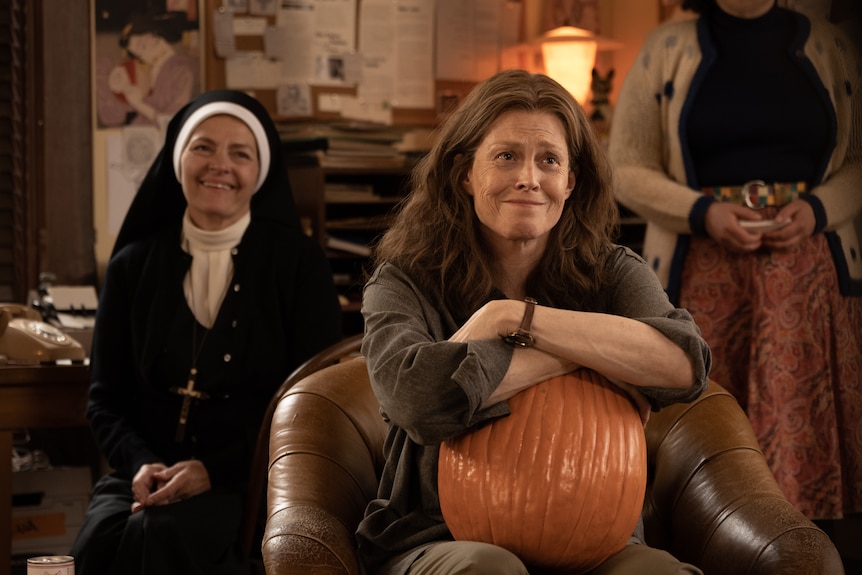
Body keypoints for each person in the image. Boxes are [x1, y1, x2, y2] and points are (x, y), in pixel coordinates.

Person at [357, 69, 712, 575]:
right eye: (506, 157)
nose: (529, 178)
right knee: (490, 569)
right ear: (465, 174)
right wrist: (588, 355)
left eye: (549, 160)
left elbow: (682, 364)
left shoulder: (613, 271)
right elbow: (417, 400)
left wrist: (511, 318)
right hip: (438, 532)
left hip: (600, 535)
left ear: (570, 182)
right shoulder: (402, 281)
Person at [69, 89, 343, 574]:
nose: (220, 165)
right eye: (203, 148)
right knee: (99, 539)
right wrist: (140, 463)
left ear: (260, 173)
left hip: (246, 479)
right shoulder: (133, 265)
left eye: (240, 153)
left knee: (159, 535)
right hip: (143, 474)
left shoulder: (298, 265)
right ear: (178, 160)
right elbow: (104, 400)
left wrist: (213, 469)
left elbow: (311, 406)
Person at [608, 0, 862, 521]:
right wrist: (701, 212)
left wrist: (817, 210)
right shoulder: (665, 47)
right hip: (700, 274)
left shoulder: (834, 45)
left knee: (802, 436)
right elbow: (625, 167)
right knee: (702, 428)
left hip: (808, 281)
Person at [96, 11, 199, 128]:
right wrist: (124, 89)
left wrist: (139, 104)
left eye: (142, 46)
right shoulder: (152, 70)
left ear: (155, 37)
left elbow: (171, 123)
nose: (143, 57)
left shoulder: (182, 69)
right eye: (138, 55)